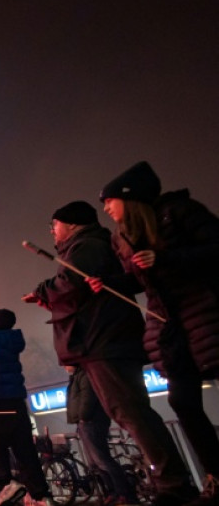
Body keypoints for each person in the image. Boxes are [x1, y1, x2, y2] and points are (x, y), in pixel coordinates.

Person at [23, 200, 196, 506]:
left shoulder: (87, 246)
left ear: (72, 224)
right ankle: (172, 481)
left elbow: (72, 283)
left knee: (132, 411)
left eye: (55, 224)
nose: (52, 231)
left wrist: (44, 290)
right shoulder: (88, 246)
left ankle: (175, 483)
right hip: (102, 341)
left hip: (104, 342)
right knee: (128, 411)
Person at [92, 161, 219, 504]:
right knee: (182, 400)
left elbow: (214, 249)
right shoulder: (123, 238)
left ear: (130, 197)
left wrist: (165, 258)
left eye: (110, 200)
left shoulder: (178, 213)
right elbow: (138, 281)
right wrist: (108, 284)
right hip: (171, 330)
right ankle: (216, 476)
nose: (106, 207)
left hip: (205, 315)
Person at [0, 308, 53, 506]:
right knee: (25, 449)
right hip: (16, 401)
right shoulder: (13, 341)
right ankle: (40, 495)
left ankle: (7, 484)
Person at [65, 366, 139, 506]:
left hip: (91, 421)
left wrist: (83, 417)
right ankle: (113, 492)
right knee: (96, 463)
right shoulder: (78, 376)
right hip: (86, 422)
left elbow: (88, 397)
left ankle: (124, 493)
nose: (64, 367)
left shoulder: (84, 375)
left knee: (103, 460)